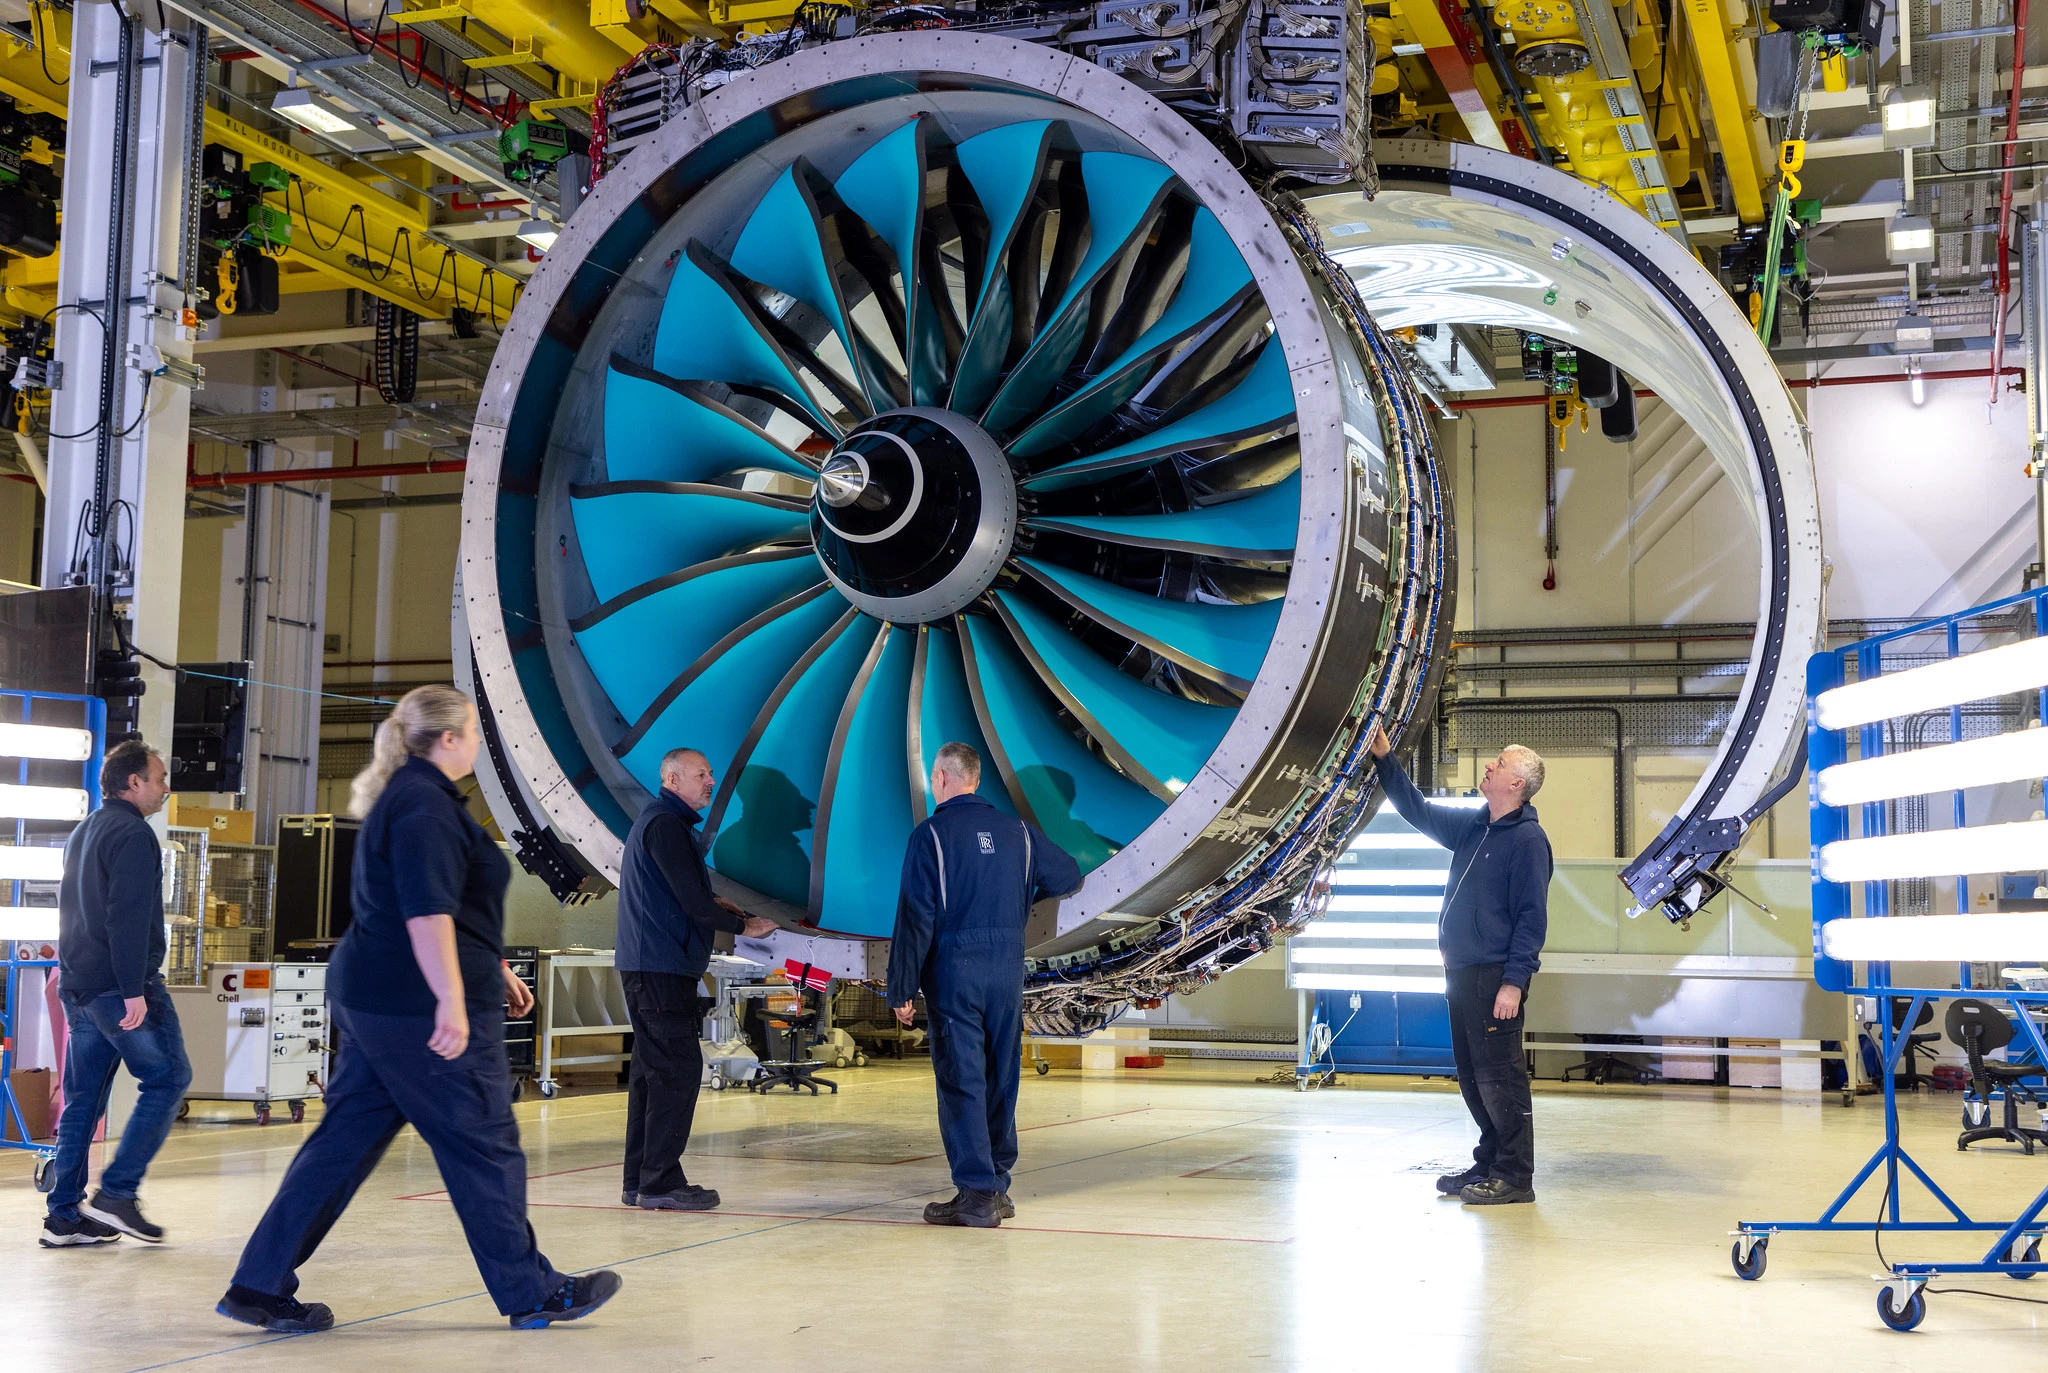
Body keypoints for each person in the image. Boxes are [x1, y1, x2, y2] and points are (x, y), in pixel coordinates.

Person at [217, 685, 622, 1333]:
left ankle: (257, 1284)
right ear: (449, 739)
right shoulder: (424, 808)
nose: (482, 743)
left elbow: (439, 905)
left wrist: (486, 965)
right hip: (413, 1006)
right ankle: (531, 1291)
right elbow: (424, 912)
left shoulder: (417, 800)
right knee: (484, 1143)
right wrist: (453, 1003)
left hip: (380, 1000)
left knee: (340, 1147)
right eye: (473, 730)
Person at [888, 743, 1080, 1228]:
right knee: (1001, 1076)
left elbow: (916, 917)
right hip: (1007, 968)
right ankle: (997, 1186)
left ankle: (975, 1194)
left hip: (956, 969)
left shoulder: (931, 835)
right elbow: (1068, 876)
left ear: (941, 779)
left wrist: (901, 988)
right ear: (976, 779)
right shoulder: (1019, 831)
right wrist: (1018, 902)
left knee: (962, 1079)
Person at [1370, 725, 1552, 1206]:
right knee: (1473, 1076)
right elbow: (1417, 811)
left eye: (1499, 762)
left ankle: (1516, 1177)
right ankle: (1490, 1160)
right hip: (1463, 974)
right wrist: (1386, 760)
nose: (1489, 765)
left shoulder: (1528, 841)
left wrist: (1514, 983)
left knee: (1500, 1078)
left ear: (1517, 784)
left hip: (1495, 978)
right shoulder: (1476, 826)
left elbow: (1532, 919)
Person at [41, 740, 192, 1249]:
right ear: (134, 783)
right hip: (117, 986)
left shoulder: (86, 831)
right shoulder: (133, 834)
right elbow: (125, 918)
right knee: (169, 1076)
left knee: (83, 1100)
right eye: (159, 778)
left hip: (78, 984)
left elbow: (73, 910)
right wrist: (134, 991)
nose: (166, 788)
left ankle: (64, 1215)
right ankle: (119, 1192)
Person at [616, 746, 775, 1211]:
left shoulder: (661, 824)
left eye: (710, 773)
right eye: (701, 774)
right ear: (672, 779)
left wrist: (713, 905)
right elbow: (690, 900)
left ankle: (639, 1180)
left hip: (652, 967)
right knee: (677, 1072)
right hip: (660, 970)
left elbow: (677, 892)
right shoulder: (666, 826)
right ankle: (661, 1182)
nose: (709, 781)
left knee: (651, 1075)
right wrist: (746, 924)